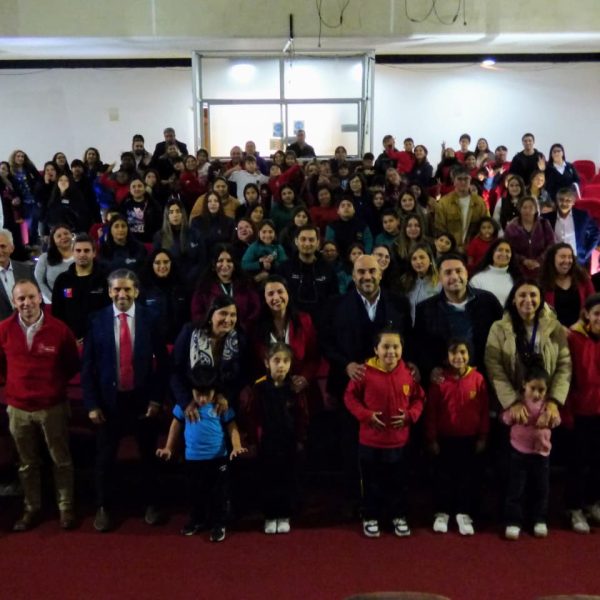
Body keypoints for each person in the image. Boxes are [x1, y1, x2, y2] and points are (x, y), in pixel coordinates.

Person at [82, 269, 169, 532]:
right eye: (117, 289)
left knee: (148, 456)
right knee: (105, 459)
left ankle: (152, 504)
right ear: (109, 292)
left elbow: (162, 364)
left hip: (142, 400)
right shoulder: (96, 320)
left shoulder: (150, 318)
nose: (122, 294)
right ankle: (103, 507)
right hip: (109, 402)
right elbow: (88, 367)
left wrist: (156, 399)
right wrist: (92, 404)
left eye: (127, 289)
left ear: (136, 291)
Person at [0, 278, 79, 531]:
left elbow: (71, 365)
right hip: (18, 409)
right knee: (26, 463)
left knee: (61, 460)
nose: (27, 303)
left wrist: (51, 386)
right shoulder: (3, 330)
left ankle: (65, 507)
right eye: (21, 298)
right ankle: (31, 507)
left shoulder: (59, 330)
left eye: (31, 297)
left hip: (52, 406)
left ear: (40, 298)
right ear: (14, 302)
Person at [344, 328, 425, 538]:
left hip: (399, 442)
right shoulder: (364, 372)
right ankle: (370, 516)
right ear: (375, 349)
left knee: (398, 481)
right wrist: (366, 415)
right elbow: (350, 398)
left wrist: (410, 415)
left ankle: (398, 516)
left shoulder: (408, 373)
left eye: (396, 347)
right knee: (371, 482)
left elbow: (419, 398)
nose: (391, 351)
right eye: (385, 347)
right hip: (370, 441)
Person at [156, 363, 246, 542]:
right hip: (193, 459)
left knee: (219, 493)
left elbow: (232, 427)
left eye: (207, 394)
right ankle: (197, 520)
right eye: (198, 394)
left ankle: (219, 523)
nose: (203, 399)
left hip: (218, 458)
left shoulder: (221, 405)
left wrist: (236, 446)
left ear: (215, 390)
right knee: (195, 492)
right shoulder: (185, 406)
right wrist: (168, 448)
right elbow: (175, 425)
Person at [485, 280, 571, 427]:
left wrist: (553, 401)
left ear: (541, 299)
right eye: (522, 295)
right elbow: (494, 367)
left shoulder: (554, 327)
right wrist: (513, 401)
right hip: (513, 410)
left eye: (533, 295)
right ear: (514, 299)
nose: (528, 300)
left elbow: (564, 365)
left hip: (545, 407)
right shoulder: (498, 328)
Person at [426, 339, 489, 536]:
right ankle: (442, 513)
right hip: (445, 439)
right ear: (446, 357)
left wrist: (483, 436)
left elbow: (485, 410)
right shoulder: (439, 381)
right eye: (453, 353)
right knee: (443, 477)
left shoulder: (478, 379)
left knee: (466, 478)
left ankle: (463, 513)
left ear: (469, 354)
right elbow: (431, 412)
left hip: (469, 439)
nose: (459, 357)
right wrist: (431, 438)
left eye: (463, 352)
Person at [246, 342, 308, 534]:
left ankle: (285, 514)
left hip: (288, 441)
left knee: (288, 478)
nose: (281, 365)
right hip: (267, 442)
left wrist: (300, 439)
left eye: (286, 361)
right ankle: (270, 515)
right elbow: (252, 416)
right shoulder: (260, 387)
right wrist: (253, 441)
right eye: (276, 360)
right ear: (267, 362)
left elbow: (302, 414)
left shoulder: (294, 387)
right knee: (269, 479)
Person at [414, 253, 503, 381]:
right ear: (439, 278)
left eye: (458, 271)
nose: (454, 276)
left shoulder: (488, 301)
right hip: (446, 380)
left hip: (485, 376)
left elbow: (504, 335)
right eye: (448, 272)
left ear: (466, 273)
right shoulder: (425, 309)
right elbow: (420, 346)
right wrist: (431, 368)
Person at [501, 365, 559, 540]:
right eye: (533, 388)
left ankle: (539, 519)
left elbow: (557, 421)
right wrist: (513, 415)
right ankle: (513, 521)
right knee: (516, 488)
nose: (536, 394)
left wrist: (549, 417)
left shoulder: (548, 406)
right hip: (519, 452)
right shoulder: (519, 402)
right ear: (524, 384)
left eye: (541, 390)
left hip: (541, 454)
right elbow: (505, 418)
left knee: (541, 489)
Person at [171, 294, 248, 416]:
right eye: (223, 313)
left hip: (224, 404)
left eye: (233, 315)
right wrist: (186, 402)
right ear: (211, 315)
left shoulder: (239, 339)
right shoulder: (189, 332)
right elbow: (174, 370)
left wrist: (226, 396)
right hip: (192, 400)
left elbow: (242, 375)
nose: (228, 320)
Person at [565, 293, 600, 534]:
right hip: (579, 411)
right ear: (587, 314)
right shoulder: (573, 338)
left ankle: (592, 502)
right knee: (578, 462)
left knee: (598, 462)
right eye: (597, 314)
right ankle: (574, 507)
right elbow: (566, 376)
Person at [51, 233, 110, 342]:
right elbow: (57, 313)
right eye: (78, 251)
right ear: (73, 252)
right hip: (70, 340)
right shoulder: (62, 280)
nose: (82, 254)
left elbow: (109, 311)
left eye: (86, 251)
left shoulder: (105, 279)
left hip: (99, 339)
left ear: (94, 253)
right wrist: (68, 337)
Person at [277, 224, 338, 324]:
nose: (307, 243)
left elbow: (334, 299)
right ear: (296, 241)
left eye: (311, 240)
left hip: (322, 323)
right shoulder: (284, 268)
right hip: (293, 322)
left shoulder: (328, 269)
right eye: (303, 239)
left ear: (318, 242)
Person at [191, 244, 260, 328]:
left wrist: (243, 327)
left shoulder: (246, 284)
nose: (225, 264)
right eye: (220, 261)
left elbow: (255, 309)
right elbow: (197, 314)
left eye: (229, 261)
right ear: (213, 264)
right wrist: (212, 328)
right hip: (213, 333)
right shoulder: (204, 287)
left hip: (242, 332)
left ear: (234, 265)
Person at [139, 248, 189, 344]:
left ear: (171, 263)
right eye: (157, 263)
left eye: (166, 262)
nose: (162, 266)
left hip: (179, 340)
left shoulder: (182, 287)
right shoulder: (143, 289)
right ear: (151, 265)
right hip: (152, 342)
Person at [540, 243, 594, 328]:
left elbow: (593, 304)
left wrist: (580, 324)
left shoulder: (582, 278)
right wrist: (559, 328)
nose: (567, 260)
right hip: (553, 331)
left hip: (581, 329)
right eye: (563, 257)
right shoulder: (543, 282)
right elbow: (541, 313)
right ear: (552, 259)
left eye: (570, 257)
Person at [543, 188, 600, 267]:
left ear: (573, 202)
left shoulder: (582, 216)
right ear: (557, 201)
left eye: (568, 200)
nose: (564, 203)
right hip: (554, 261)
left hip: (577, 260)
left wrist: (586, 253)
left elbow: (596, 232)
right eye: (561, 200)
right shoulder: (547, 218)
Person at [152, 198, 206, 282]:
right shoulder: (159, 237)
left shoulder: (195, 234)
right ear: (167, 216)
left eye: (178, 211)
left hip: (194, 280)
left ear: (183, 214)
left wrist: (190, 278)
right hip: (169, 280)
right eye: (171, 212)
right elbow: (157, 263)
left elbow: (202, 260)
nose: (175, 215)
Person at [434, 169, 489, 251]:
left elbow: (486, 225)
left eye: (466, 179)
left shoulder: (480, 202)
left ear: (470, 180)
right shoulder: (444, 203)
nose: (463, 182)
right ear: (454, 181)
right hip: (451, 249)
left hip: (473, 248)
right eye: (459, 179)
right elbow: (440, 228)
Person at [504, 196, 555, 278]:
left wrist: (539, 260)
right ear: (520, 209)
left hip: (542, 270)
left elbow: (551, 245)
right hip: (518, 271)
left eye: (531, 207)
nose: (527, 210)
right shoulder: (511, 227)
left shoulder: (544, 224)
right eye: (524, 207)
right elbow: (507, 248)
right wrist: (523, 260)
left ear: (536, 209)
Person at [470, 239, 519, 308]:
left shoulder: (517, 278)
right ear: (492, 253)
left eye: (507, 251)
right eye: (500, 250)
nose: (504, 254)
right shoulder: (477, 279)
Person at [399, 242, 440, 324]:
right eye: (414, 259)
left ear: (430, 260)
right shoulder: (405, 282)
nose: (418, 261)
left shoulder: (440, 283)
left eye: (422, 257)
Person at [34, 224, 75, 304]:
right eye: (59, 236)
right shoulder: (45, 258)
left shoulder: (80, 255)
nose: (63, 237)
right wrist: (54, 299)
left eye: (66, 233)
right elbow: (39, 281)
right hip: (53, 303)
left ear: (71, 235)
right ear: (53, 241)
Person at [0, 229, 33, 321]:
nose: (0, 251)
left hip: (27, 322)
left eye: (3, 246)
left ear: (12, 248)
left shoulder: (26, 270)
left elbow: (36, 297)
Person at [119, 178, 162, 244]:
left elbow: (158, 224)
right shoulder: (125, 204)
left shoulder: (153, 204)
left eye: (139, 186)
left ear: (144, 188)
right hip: (129, 241)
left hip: (148, 241)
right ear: (129, 190)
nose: (137, 189)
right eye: (134, 187)